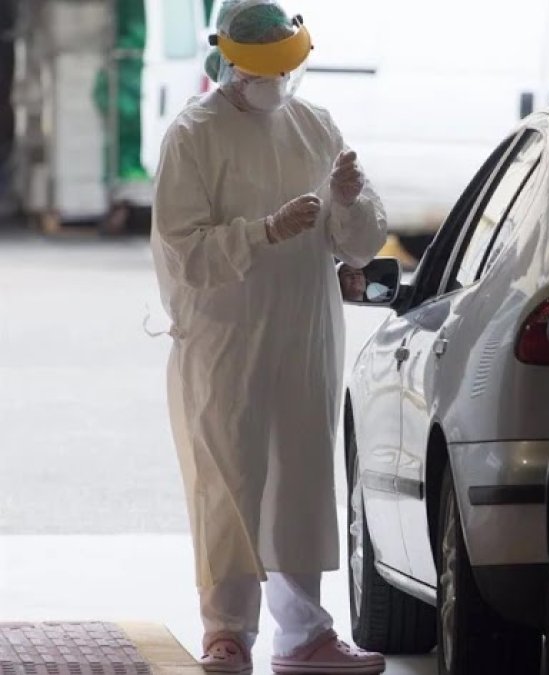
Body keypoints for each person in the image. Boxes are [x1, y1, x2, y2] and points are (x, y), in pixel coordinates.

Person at [149, 1, 387, 673]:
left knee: (302, 477)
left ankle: (305, 633)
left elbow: (361, 244)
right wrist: (263, 231)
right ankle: (226, 631)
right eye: (264, 69)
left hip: (304, 332)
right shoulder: (195, 134)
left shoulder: (315, 126)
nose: (276, 82)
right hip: (224, 339)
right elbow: (181, 249)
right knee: (230, 477)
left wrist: (350, 197)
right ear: (230, 60)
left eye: (286, 68)